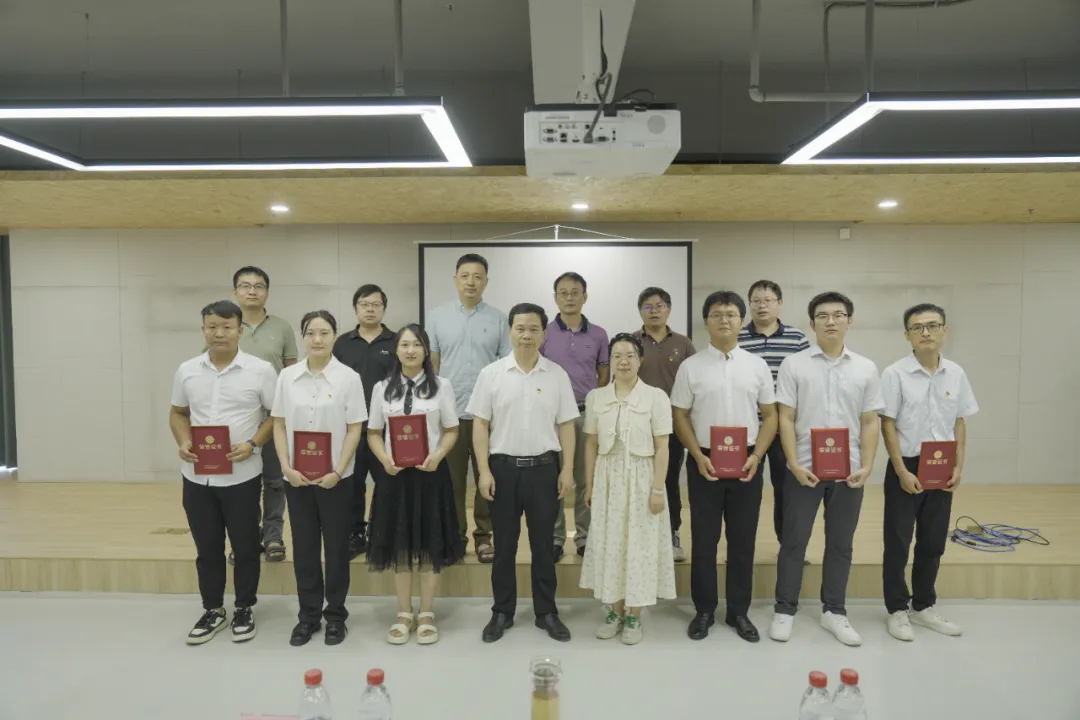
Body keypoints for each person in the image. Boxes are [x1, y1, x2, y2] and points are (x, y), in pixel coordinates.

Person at [769, 291, 884, 647]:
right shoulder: (794, 365)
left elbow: (870, 420)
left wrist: (867, 465)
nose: (830, 321)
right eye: (822, 316)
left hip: (850, 471)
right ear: (812, 324)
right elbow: (785, 418)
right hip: (804, 469)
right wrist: (792, 463)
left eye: (838, 315)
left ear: (850, 321)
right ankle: (785, 609)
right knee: (793, 541)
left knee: (840, 543)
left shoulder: (865, 368)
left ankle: (834, 610)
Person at [469, 303, 578, 644]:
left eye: (533, 328)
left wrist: (567, 470)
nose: (526, 335)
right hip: (502, 471)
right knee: (504, 545)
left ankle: (546, 611)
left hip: (545, 470)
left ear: (544, 333)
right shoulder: (491, 374)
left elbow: (567, 426)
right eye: (520, 328)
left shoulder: (556, 375)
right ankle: (502, 611)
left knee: (544, 545)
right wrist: (483, 471)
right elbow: (480, 424)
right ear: (510, 331)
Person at [671, 291, 777, 643]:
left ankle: (738, 612)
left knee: (742, 541)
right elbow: (680, 415)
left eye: (731, 314)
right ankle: (704, 610)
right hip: (704, 461)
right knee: (704, 540)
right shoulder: (691, 366)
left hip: (747, 462)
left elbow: (771, 416)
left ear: (741, 320)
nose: (724, 320)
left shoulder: (757, 366)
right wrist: (696, 455)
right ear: (706, 321)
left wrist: (757, 456)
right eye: (716, 314)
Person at [169, 300, 277, 645]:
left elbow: (276, 415)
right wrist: (183, 441)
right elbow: (178, 412)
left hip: (242, 475)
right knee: (207, 547)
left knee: (245, 547)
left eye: (227, 327)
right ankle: (213, 609)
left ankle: (244, 607)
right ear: (203, 329)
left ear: (239, 330)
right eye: (212, 326)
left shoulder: (260, 370)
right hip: (196, 476)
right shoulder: (187, 370)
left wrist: (254, 443)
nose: (219, 333)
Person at [880, 303, 977, 641]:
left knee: (933, 541)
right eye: (917, 327)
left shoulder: (956, 373)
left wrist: (958, 465)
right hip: (906, 466)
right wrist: (900, 470)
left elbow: (959, 420)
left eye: (933, 326)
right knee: (897, 541)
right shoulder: (895, 373)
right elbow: (888, 424)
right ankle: (896, 609)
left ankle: (923, 606)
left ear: (944, 331)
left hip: (942, 465)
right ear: (907, 334)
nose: (926, 332)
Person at [366, 324, 466, 646]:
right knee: (400, 547)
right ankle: (404, 612)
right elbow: (373, 433)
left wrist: (438, 455)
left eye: (417, 345)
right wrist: (384, 460)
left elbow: (452, 429)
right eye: (405, 345)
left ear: (426, 351)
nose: (410, 350)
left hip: (430, 475)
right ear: (396, 350)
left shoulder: (442, 386)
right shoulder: (382, 388)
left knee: (428, 546)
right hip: (394, 477)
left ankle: (426, 613)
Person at [272, 311, 366, 647]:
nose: (317, 339)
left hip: (336, 479)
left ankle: (336, 616)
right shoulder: (287, 377)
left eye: (324, 332)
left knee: (337, 549)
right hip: (297, 479)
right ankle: (308, 616)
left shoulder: (348, 378)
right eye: (310, 332)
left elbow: (355, 427)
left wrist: (338, 470)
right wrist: (286, 467)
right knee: (305, 547)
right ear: (303, 337)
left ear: (334, 336)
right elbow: (279, 423)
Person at [580, 333, 676, 645]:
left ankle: (635, 614)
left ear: (640, 360)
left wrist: (658, 489)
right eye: (617, 356)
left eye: (630, 355)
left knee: (639, 546)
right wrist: (590, 484)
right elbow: (591, 443)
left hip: (642, 478)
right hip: (608, 479)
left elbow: (663, 447)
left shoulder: (656, 397)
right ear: (610, 361)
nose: (623, 361)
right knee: (611, 543)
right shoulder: (596, 397)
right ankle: (614, 611)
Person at [428, 253, 510, 564]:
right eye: (465, 276)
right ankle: (455, 537)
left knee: (487, 478)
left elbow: (505, 367)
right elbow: (433, 366)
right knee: (451, 482)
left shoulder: (499, 319)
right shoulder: (437, 317)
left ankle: (484, 536)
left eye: (477, 276)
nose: (471, 282)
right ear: (455, 280)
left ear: (486, 282)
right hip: (450, 414)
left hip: (488, 416)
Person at [230, 266, 298, 564]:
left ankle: (273, 536)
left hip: (274, 416)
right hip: (237, 417)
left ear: (267, 292)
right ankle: (245, 539)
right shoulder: (227, 326)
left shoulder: (282, 327)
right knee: (242, 484)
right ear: (235, 292)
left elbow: (292, 371)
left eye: (258, 286)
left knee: (274, 480)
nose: (252, 291)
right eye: (245, 286)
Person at [541, 271, 610, 561]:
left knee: (585, 478)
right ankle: (556, 538)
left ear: (585, 296)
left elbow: (604, 376)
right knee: (552, 480)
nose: (569, 298)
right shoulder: (543, 332)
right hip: (550, 417)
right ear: (555, 298)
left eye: (575, 292)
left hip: (585, 414)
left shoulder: (599, 334)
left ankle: (585, 538)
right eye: (563, 293)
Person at [737, 280, 809, 549]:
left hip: (784, 429)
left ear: (780, 304)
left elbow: (806, 381)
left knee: (786, 490)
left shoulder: (797, 338)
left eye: (768, 300)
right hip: (747, 428)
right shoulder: (737, 338)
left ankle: (788, 546)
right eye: (756, 301)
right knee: (745, 491)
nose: (762, 305)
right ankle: (742, 547)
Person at [332, 284, 397, 559]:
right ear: (355, 308)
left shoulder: (396, 342)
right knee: (352, 484)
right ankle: (355, 533)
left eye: (376, 304)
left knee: (388, 484)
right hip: (351, 429)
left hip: (387, 430)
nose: (370, 309)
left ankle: (384, 534)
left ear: (384, 308)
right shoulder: (342, 343)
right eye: (364, 304)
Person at [632, 287, 696, 563]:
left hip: (671, 426)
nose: (654, 311)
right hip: (636, 425)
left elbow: (694, 382)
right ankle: (640, 537)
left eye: (659, 306)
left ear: (669, 310)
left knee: (669, 481)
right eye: (648, 306)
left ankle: (671, 533)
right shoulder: (631, 341)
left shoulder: (683, 343)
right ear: (640, 311)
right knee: (637, 482)